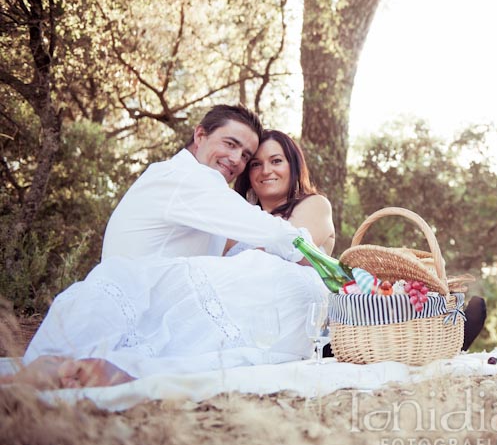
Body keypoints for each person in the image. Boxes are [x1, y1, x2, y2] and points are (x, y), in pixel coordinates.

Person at [6, 115, 329, 390]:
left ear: (293, 166)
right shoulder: (192, 182)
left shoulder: (304, 205)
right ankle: (78, 367)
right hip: (143, 294)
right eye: (237, 149)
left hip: (165, 296)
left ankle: (87, 366)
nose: (243, 163)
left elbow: (299, 251)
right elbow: (263, 246)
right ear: (199, 134)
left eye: (253, 157)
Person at [102, 105, 307, 262]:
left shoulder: (184, 179)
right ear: (200, 135)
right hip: (140, 305)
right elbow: (273, 233)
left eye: (245, 155)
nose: (236, 159)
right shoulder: (185, 177)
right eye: (230, 144)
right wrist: (324, 262)